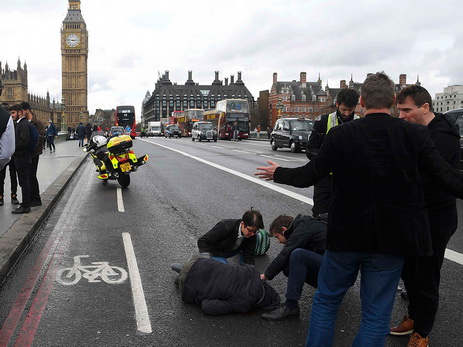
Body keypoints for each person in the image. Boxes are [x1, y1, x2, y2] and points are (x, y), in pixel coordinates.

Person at [255, 72, 463, 347]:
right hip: (390, 241)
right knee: (376, 316)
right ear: (392, 102)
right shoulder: (415, 135)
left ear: (362, 101)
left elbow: (309, 175)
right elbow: (448, 178)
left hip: (346, 237)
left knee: (326, 302)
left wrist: (278, 172)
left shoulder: (341, 134)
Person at [389, 85, 460, 347]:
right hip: (414, 215)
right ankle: (414, 317)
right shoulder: (418, 132)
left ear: (425, 108)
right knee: (409, 271)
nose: (402, 115)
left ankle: (422, 332)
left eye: (406, 110)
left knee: (426, 277)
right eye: (399, 110)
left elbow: (419, 174)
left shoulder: (443, 136)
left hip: (436, 216)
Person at [260, 214, 326, 321]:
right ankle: (327, 290)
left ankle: (290, 307)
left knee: (297, 255)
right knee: (289, 267)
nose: (279, 241)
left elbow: (285, 254)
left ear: (284, 229)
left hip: (339, 272)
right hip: (336, 269)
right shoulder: (305, 226)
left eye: (277, 237)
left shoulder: (304, 227)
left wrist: (265, 275)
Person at [306, 88, 360, 218]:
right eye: (343, 109)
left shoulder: (360, 124)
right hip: (325, 179)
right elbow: (310, 149)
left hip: (349, 179)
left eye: (350, 110)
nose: (347, 113)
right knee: (320, 217)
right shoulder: (323, 121)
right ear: (337, 104)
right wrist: (329, 158)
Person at [173, 255, 280, 316]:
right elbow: (208, 306)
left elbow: (232, 268)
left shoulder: (252, 270)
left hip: (199, 263)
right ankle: (182, 275)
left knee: (211, 268)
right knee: (187, 280)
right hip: (192, 284)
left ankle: (185, 269)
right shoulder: (244, 303)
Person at [197, 209, 263, 265]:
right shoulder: (225, 226)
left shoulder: (253, 234)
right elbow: (203, 241)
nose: (252, 234)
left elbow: (249, 254)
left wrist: (250, 270)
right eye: (250, 230)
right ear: (243, 224)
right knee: (224, 269)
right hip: (217, 252)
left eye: (255, 231)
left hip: (232, 249)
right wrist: (207, 261)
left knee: (247, 270)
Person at [21, 102, 45, 207]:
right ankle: (30, 198)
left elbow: (40, 138)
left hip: (34, 153)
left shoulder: (37, 122)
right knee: (28, 176)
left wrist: (31, 148)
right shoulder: (24, 122)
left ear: (26, 110)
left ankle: (36, 199)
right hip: (26, 153)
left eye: (22, 111)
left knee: (31, 175)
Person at [10, 104, 31, 214]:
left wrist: (13, 147)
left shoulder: (23, 124)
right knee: (24, 181)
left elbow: (25, 141)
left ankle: (26, 206)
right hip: (21, 156)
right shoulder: (22, 123)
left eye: (13, 113)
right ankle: (25, 203)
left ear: (20, 112)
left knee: (24, 181)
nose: (11, 115)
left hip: (22, 156)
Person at [0, 86, 16, 206]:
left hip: (12, 156)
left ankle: (12, 195)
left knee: (11, 176)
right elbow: (6, 154)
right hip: (9, 155)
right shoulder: (6, 118)